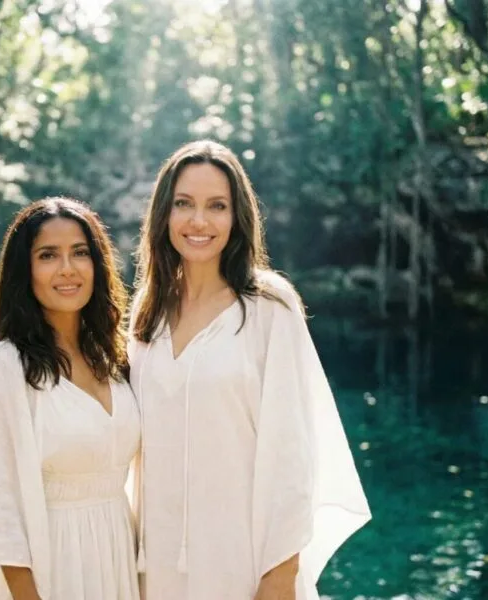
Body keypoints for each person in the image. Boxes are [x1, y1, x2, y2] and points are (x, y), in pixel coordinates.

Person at [128, 141, 371, 600]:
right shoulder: (148, 310)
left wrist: (278, 575)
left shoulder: (269, 308)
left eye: (216, 206)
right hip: (155, 566)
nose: (198, 221)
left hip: (242, 560)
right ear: (163, 214)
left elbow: (293, 454)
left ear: (237, 217)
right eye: (184, 204)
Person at [0, 197, 140, 600]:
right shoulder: (7, 364)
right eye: (48, 255)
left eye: (80, 253)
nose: (67, 269)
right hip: (53, 562)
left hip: (120, 555)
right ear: (25, 271)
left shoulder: (116, 356)